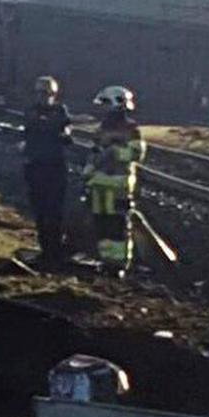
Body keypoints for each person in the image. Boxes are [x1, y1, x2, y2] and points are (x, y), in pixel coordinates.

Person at [83, 85, 146, 277]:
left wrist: (115, 153)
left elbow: (137, 153)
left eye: (104, 104)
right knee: (102, 225)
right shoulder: (102, 128)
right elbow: (93, 153)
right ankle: (106, 261)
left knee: (117, 228)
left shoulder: (131, 128)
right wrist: (89, 173)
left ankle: (118, 265)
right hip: (100, 188)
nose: (102, 109)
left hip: (118, 187)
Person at [24, 76, 73, 265]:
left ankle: (55, 248)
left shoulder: (60, 110)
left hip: (55, 165)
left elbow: (65, 130)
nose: (44, 97)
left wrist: (61, 131)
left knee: (55, 210)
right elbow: (38, 127)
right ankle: (46, 248)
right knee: (40, 210)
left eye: (47, 94)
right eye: (40, 93)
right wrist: (55, 129)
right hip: (36, 165)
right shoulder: (32, 111)